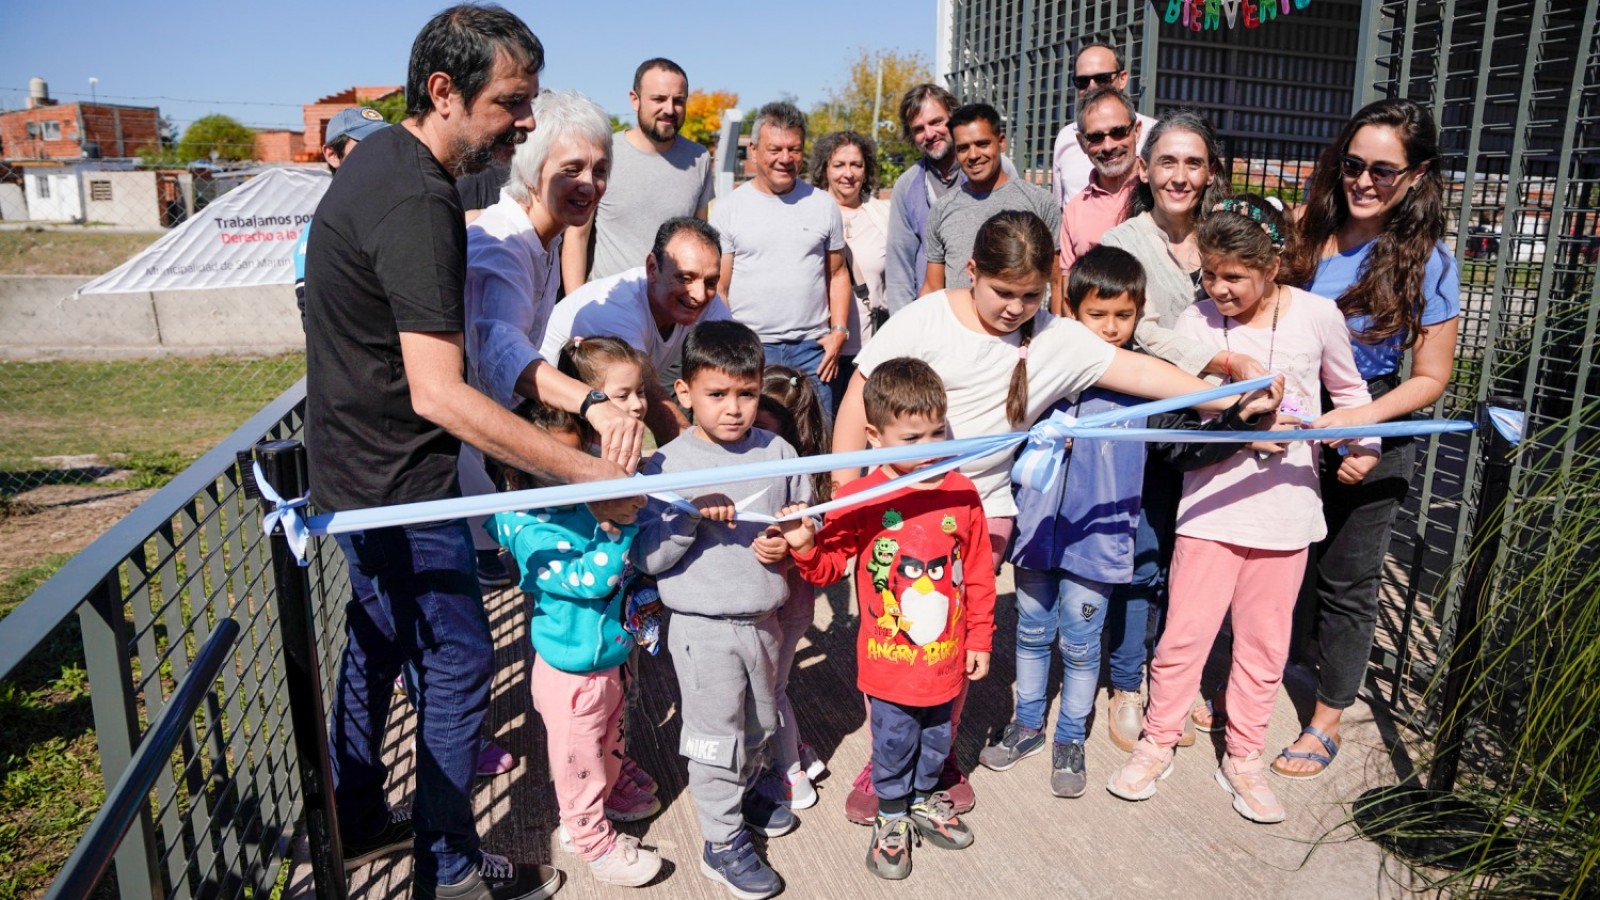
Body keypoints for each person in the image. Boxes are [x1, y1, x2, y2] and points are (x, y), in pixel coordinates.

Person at [304, 7, 641, 899]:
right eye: (511, 103)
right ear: (444, 91)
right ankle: (449, 870)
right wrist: (586, 470)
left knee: (378, 637)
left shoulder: (384, 158)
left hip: (353, 471)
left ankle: (356, 813)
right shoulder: (421, 201)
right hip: (401, 483)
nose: (524, 121)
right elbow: (442, 390)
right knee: (458, 663)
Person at [830, 209, 1258, 824]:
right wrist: (847, 496)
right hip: (894, 514)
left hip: (978, 513)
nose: (1015, 308)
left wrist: (1227, 390)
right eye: (1002, 292)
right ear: (971, 271)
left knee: (943, 641)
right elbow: (859, 400)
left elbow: (1141, 372)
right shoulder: (925, 318)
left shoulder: (1059, 339)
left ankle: (938, 757)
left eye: (1030, 295)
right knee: (894, 640)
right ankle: (886, 758)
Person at [1106, 196, 1380, 823]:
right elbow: (1181, 415)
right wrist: (1241, 430)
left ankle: (1245, 756)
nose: (1219, 288)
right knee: (1185, 633)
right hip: (1211, 508)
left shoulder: (1317, 315)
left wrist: (1362, 445)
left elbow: (1351, 393)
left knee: (1264, 643)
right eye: (1209, 273)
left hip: (1287, 512)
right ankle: (1157, 740)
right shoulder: (1197, 323)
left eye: (1234, 276)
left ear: (1272, 266)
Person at [983, 245, 1280, 796]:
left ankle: (1070, 738)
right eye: (1097, 314)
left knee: (1080, 644)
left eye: (1124, 315)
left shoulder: (1146, 384)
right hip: (1035, 536)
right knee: (1030, 632)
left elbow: (1185, 448)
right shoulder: (1042, 364)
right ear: (1071, 310)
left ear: (1139, 314)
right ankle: (1026, 725)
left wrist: (1238, 422)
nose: (1111, 327)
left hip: (1098, 542)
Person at [1272, 98, 1460, 779]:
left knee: (1347, 580)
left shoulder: (1429, 262)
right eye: (1353, 164)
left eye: (1384, 170)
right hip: (1292, 412)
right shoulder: (1307, 231)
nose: (1363, 181)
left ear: (1418, 175)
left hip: (1371, 419)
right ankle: (1267, 671)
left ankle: (1326, 717)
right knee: (1280, 561)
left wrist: (1363, 427)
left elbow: (1432, 377)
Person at [779, 357, 993, 881]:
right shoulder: (860, 497)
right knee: (893, 741)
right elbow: (828, 568)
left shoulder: (961, 491)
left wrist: (980, 639)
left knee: (938, 738)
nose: (928, 449)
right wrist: (804, 545)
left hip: (946, 659)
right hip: (889, 663)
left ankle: (922, 799)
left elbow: (979, 572)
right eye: (911, 438)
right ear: (874, 437)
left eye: (937, 433)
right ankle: (892, 814)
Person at [631, 320, 810, 900]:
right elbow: (647, 557)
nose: (733, 408)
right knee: (715, 737)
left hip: (764, 622)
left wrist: (788, 544)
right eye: (717, 394)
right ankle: (721, 840)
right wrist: (686, 515)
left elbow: (803, 521)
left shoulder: (779, 452)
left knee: (760, 724)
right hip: (701, 630)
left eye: (746, 393)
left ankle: (747, 792)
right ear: (684, 392)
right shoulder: (665, 466)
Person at [485, 401, 662, 888]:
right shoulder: (529, 529)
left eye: (576, 458)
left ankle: (601, 801)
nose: (568, 474)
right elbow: (590, 579)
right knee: (578, 765)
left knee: (609, 742)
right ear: (517, 470)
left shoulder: (586, 504)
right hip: (571, 678)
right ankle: (590, 841)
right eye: (552, 466)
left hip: (611, 658)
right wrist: (621, 527)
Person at [461, 89, 625, 587]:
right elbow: (502, 351)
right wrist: (592, 403)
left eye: (600, 170)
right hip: (444, 456)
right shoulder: (503, 244)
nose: (589, 183)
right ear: (532, 170)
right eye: (572, 168)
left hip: (477, 442)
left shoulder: (543, 239)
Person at [710, 101, 851, 407]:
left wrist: (839, 331)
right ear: (754, 151)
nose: (785, 159)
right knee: (756, 435)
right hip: (753, 349)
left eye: (794, 149)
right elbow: (720, 288)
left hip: (814, 351)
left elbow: (838, 273)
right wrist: (733, 345)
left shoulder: (823, 205)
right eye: (775, 149)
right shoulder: (728, 209)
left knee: (818, 434)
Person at [1101, 111, 1260, 382]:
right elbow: (1143, 331)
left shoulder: (1229, 239)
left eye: (1193, 164)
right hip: (1158, 394)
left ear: (1210, 173)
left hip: (1240, 387)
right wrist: (1227, 362)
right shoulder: (1120, 244)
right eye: (1167, 163)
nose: (1179, 178)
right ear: (1143, 169)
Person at [540, 217, 731, 442]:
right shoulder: (616, 308)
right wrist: (694, 452)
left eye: (711, 282)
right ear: (652, 268)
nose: (700, 294)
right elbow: (652, 398)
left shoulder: (707, 299)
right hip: (544, 417)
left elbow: (733, 368)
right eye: (685, 278)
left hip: (595, 419)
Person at [561, 57, 714, 292]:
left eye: (678, 101)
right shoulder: (604, 153)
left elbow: (699, 240)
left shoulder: (699, 159)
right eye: (659, 99)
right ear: (635, 100)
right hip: (609, 303)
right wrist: (575, 304)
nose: (669, 109)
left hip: (672, 306)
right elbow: (577, 236)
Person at [752, 365, 831, 809]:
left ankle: (790, 779)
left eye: (760, 426)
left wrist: (785, 544)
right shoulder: (807, 468)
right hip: (790, 606)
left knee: (770, 690)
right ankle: (797, 751)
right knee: (774, 684)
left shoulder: (788, 476)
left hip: (782, 604)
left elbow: (806, 529)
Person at [884, 84, 1019, 315]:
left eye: (936, 122)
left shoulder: (998, 168)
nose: (929, 134)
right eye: (919, 129)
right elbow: (899, 265)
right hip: (934, 313)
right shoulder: (907, 186)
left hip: (995, 312)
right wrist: (905, 323)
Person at [920, 103, 1062, 305]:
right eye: (963, 148)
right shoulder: (942, 209)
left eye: (982, 144)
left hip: (1023, 323)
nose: (973, 155)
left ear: (1001, 142)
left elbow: (1057, 282)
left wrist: (1056, 325)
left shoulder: (1040, 202)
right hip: (959, 323)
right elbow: (932, 287)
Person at [812, 130, 891, 406]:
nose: (848, 173)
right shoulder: (811, 212)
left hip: (870, 352)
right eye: (839, 165)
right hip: (820, 352)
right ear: (825, 168)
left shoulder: (884, 215)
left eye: (856, 165)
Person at [294, 106, 388, 320]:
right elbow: (313, 310)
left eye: (384, 143)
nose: (380, 154)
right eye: (365, 146)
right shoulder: (322, 227)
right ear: (332, 155)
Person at [1050, 41, 1157, 205]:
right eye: (1082, 81)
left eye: (1102, 79)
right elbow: (1060, 207)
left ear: (1122, 78)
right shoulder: (1066, 137)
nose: (1092, 87)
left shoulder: (1155, 134)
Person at [1057, 87, 1142, 287]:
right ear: (1081, 143)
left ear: (1137, 131)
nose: (1108, 146)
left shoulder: (1162, 192)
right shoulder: (1075, 210)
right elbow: (1069, 289)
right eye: (1096, 137)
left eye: (1118, 132)